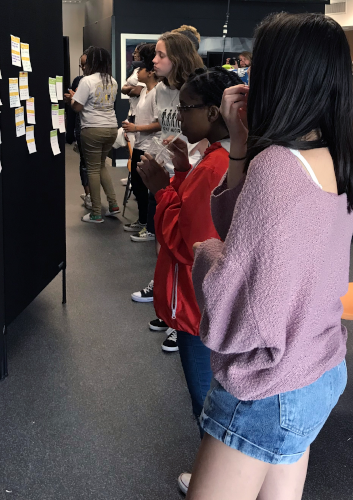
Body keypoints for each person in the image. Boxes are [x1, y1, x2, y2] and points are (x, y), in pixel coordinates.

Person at [186, 13, 353, 499]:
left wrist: (206, 255)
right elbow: (255, 241)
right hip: (319, 363)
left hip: (270, 382)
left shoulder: (278, 169)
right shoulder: (340, 157)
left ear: (278, 76)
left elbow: (236, 303)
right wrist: (242, 145)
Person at [136, 67, 243, 494]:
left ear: (214, 112)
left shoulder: (215, 165)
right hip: (209, 303)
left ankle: (217, 480)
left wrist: (162, 189)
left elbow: (186, 245)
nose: (179, 116)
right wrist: (180, 172)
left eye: (187, 108)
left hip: (197, 307)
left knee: (206, 401)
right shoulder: (223, 158)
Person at [129, 31, 206, 347]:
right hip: (168, 168)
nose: (154, 61)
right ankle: (168, 298)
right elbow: (167, 127)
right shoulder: (159, 90)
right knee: (163, 234)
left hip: (194, 171)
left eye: (160, 55)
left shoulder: (199, 87)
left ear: (177, 57)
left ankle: (184, 315)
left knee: (187, 242)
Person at [65, 47, 120, 223]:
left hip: (92, 129)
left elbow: (77, 107)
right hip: (111, 128)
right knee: (102, 166)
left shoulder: (86, 81)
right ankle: (113, 204)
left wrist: (72, 99)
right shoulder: (112, 81)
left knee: (93, 169)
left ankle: (96, 212)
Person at [120, 44, 161, 233]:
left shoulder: (157, 94)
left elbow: (160, 124)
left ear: (151, 72)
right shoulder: (144, 91)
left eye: (141, 69)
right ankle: (143, 220)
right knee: (137, 185)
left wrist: (136, 127)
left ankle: (149, 226)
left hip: (150, 147)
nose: (138, 73)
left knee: (148, 189)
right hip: (140, 143)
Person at [69, 51, 91, 208]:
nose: (83, 68)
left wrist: (77, 98)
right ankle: (90, 194)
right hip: (80, 125)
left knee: (94, 165)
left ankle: (95, 197)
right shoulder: (78, 80)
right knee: (84, 162)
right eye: (81, 65)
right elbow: (74, 105)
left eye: (86, 64)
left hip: (92, 127)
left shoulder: (101, 82)